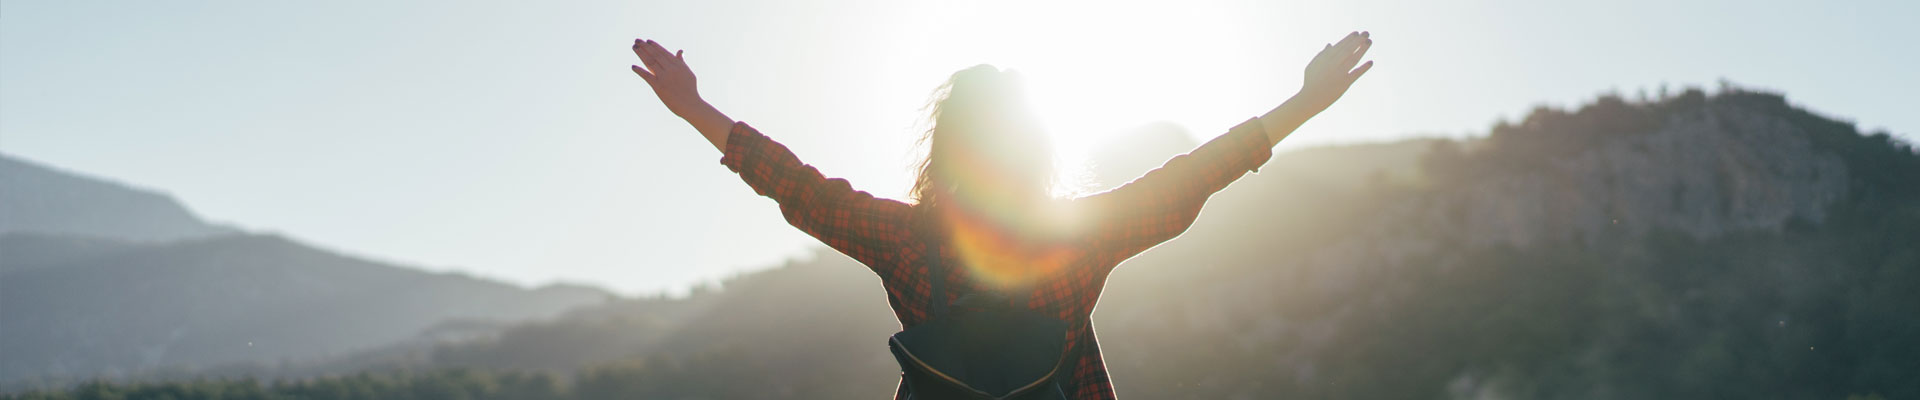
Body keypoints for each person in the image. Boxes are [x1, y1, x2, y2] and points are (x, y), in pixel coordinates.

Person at [628, 31, 1373, 399]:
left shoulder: (905, 241)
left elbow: (798, 187)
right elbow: (1197, 176)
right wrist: (1307, 101)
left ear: (944, 153)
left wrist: (694, 108)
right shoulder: (1076, 242)